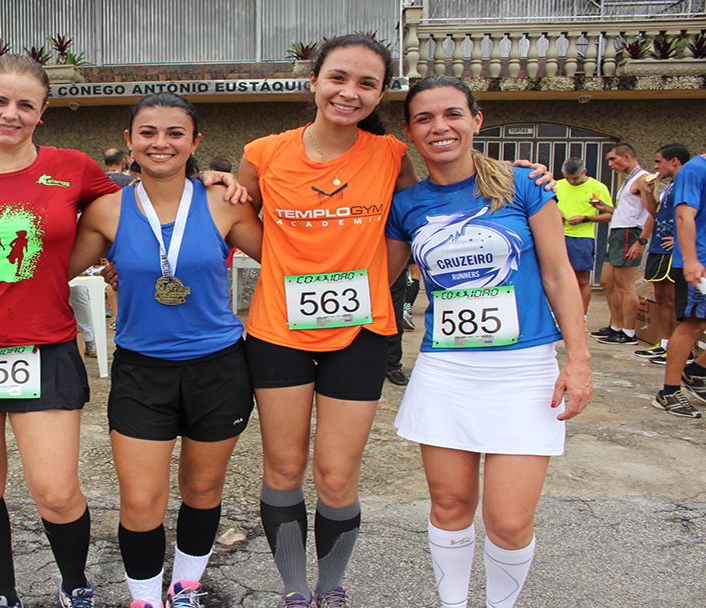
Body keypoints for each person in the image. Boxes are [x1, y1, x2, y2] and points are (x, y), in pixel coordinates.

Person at [0, 55, 246, 608]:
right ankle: (4, 596)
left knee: (57, 490)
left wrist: (214, 178)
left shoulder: (72, 168)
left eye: (25, 104)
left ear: (42, 113)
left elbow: (144, 199)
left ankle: (75, 586)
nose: (10, 114)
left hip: (42, 342)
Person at [386, 74, 592, 608]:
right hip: (447, 371)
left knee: (508, 518)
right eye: (425, 118)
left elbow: (557, 274)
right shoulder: (406, 204)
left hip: (523, 370)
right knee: (450, 504)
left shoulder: (525, 185)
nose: (440, 127)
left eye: (453, 113)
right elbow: (373, 276)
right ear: (410, 131)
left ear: (476, 120)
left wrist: (580, 359)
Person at [236, 34, 419, 607]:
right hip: (277, 334)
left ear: (381, 93)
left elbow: (417, 223)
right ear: (313, 80)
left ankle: (331, 587)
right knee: (285, 466)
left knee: (337, 476)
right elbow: (235, 222)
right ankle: (295, 591)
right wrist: (217, 185)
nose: (350, 92)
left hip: (360, 336)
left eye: (367, 83)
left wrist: (371, 281)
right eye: (338, 77)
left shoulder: (391, 156)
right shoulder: (263, 152)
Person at [69, 92, 263, 608]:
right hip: (142, 371)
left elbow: (290, 258)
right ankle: (145, 598)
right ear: (129, 142)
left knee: (202, 491)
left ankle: (185, 587)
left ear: (194, 142)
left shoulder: (224, 202)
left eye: (175, 133)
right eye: (148, 132)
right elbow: (52, 270)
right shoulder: (106, 210)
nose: (161, 143)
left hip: (219, 368)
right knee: (140, 501)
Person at [652, 148, 706, 419]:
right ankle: (669, 391)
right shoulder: (694, 170)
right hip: (699, 262)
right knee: (693, 323)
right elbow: (684, 216)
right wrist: (692, 260)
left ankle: (696, 371)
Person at [590, 143, 651, 345]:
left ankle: (629, 332)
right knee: (607, 281)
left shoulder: (643, 179)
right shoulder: (630, 179)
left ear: (626, 157)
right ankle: (616, 326)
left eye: (612, 159)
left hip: (629, 233)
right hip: (618, 233)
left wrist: (641, 240)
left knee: (626, 285)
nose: (610, 164)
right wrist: (604, 207)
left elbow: (653, 212)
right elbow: (627, 211)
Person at [637, 144, 691, 364]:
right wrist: (649, 194)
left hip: (673, 249)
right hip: (659, 246)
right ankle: (666, 343)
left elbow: (692, 215)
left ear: (674, 161)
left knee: (674, 299)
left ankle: (681, 350)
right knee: (661, 298)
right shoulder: (669, 186)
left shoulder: (687, 183)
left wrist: (679, 240)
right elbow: (655, 213)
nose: (655, 166)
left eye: (659, 161)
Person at [554, 157, 611, 323]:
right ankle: (558, 316)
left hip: (582, 238)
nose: (571, 181)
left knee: (581, 280)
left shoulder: (598, 187)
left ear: (584, 172)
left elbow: (609, 214)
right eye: (568, 178)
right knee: (556, 277)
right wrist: (557, 213)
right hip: (557, 235)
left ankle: (581, 316)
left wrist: (586, 218)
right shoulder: (556, 185)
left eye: (575, 178)